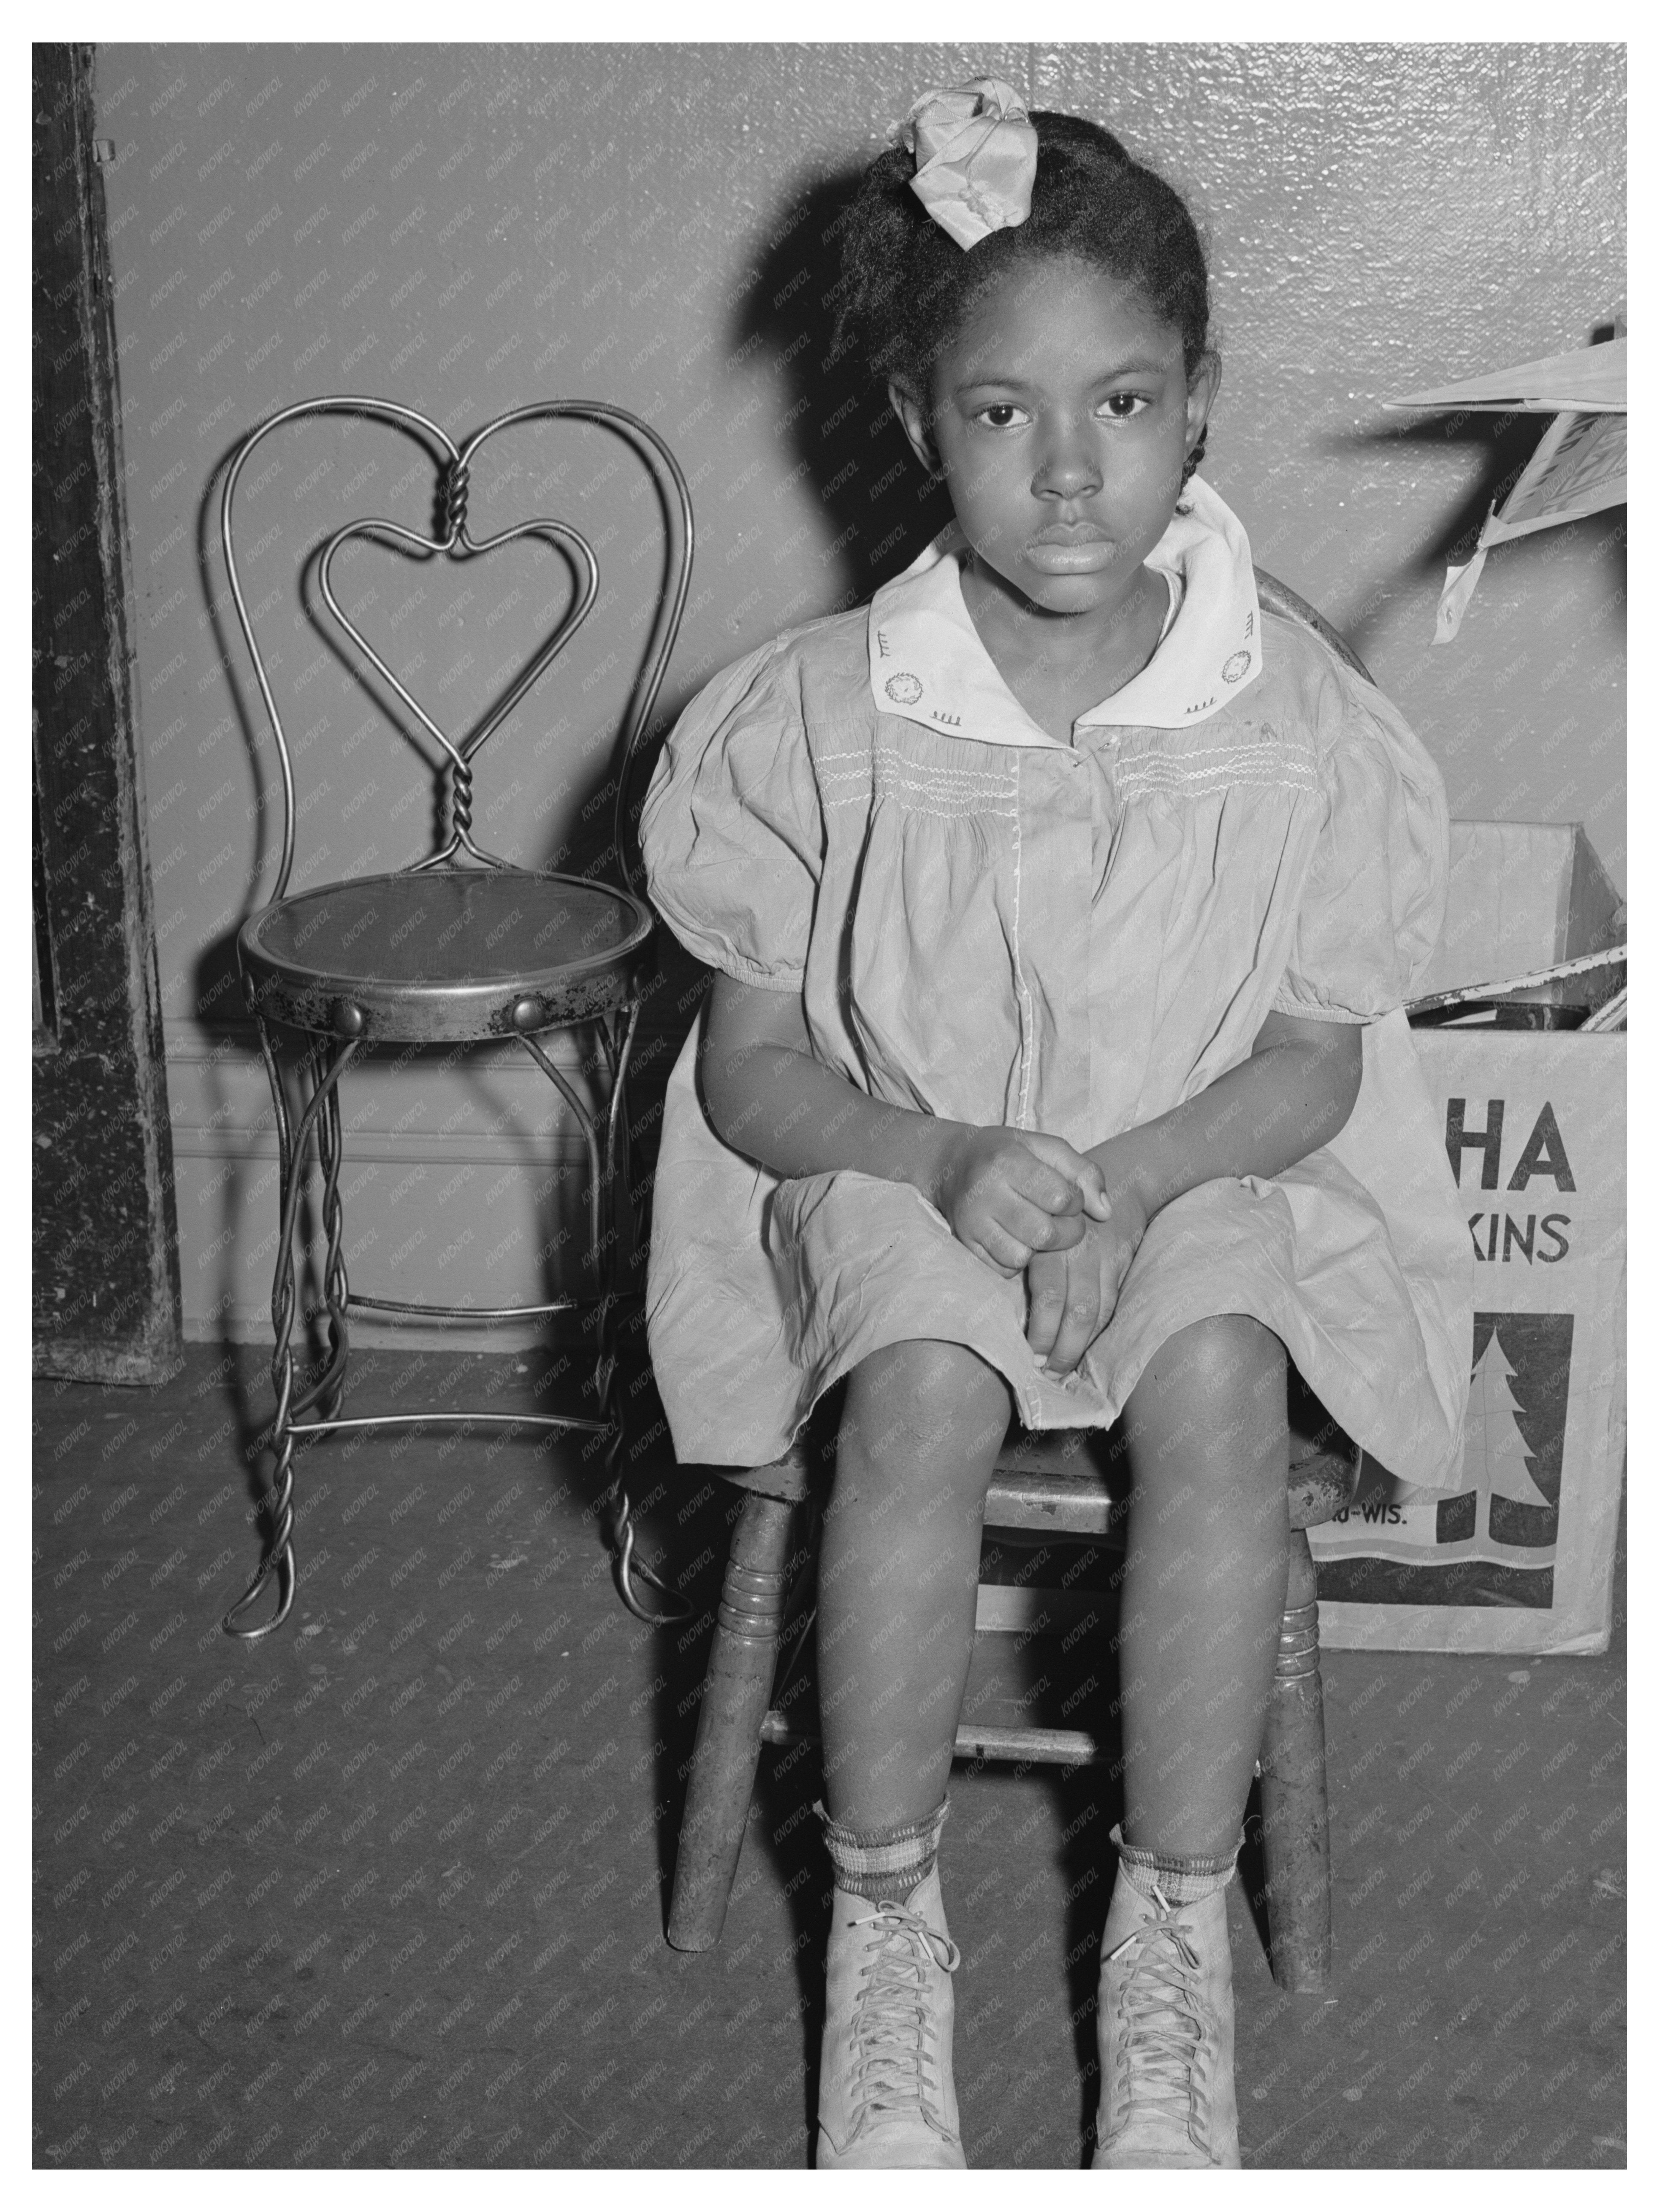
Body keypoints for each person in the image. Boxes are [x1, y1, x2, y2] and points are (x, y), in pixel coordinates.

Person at [638, 80, 1474, 2170]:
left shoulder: (1293, 722)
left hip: (1198, 1151)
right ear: (921, 424)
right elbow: (757, 1076)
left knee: (1216, 1380)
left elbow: (1313, 1067)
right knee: (917, 1396)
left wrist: (1135, 1182)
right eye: (1004, 414)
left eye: (1122, 402)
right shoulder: (818, 720)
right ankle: (887, 1918)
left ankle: (1168, 1942)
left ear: (1198, 411)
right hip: (905, 1157)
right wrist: (946, 1166)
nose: (1072, 468)